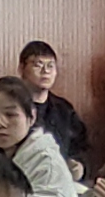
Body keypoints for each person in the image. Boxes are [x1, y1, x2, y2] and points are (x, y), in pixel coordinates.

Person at [17, 40, 88, 174]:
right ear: (21, 69)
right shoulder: (11, 106)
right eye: (38, 65)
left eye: (50, 66)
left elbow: (81, 147)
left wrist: (80, 165)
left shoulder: (64, 110)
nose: (45, 71)